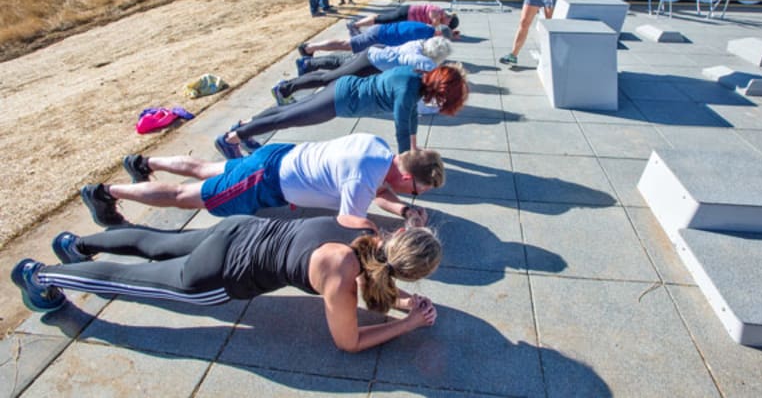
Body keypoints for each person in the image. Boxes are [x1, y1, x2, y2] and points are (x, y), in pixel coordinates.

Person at [11, 215, 441, 352]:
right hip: (219, 275)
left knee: (157, 243)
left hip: (237, 230)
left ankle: (74, 243)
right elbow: (348, 342)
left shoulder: (361, 224)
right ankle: (38, 277)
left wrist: (402, 302)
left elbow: (374, 270)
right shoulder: (342, 278)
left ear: (399, 234)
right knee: (131, 280)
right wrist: (408, 323)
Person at [80, 133, 442, 228]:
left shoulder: (378, 150)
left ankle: (143, 162)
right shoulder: (363, 177)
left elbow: (381, 190)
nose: (411, 193)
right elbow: (349, 223)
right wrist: (394, 239)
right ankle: (105, 193)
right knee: (183, 195)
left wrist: (403, 209)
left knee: (209, 169)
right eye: (414, 190)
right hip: (264, 180)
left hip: (277, 156)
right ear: (407, 176)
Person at [216, 64, 468, 158]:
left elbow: (411, 117)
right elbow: (403, 127)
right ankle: (231, 139)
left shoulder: (415, 78)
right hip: (340, 101)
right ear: (441, 91)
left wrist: (413, 148)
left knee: (291, 111)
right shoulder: (408, 91)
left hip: (344, 88)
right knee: (289, 117)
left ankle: (246, 125)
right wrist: (406, 160)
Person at [280, 36, 452, 105]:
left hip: (375, 53)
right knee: (329, 79)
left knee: (334, 72)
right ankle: (285, 89)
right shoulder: (424, 62)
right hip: (372, 62)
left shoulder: (420, 44)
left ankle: (299, 75)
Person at [298, 20, 455, 58]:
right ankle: (309, 47)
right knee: (346, 45)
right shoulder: (425, 34)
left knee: (347, 45)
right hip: (378, 36)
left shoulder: (425, 28)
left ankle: (311, 47)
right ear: (439, 34)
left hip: (380, 32)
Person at [349, 4, 459, 34]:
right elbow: (434, 29)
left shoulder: (440, 14)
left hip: (407, 15)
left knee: (380, 18)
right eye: (447, 25)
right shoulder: (437, 13)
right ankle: (354, 25)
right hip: (406, 14)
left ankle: (357, 24)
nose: (445, 26)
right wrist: (447, 32)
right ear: (449, 20)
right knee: (381, 20)